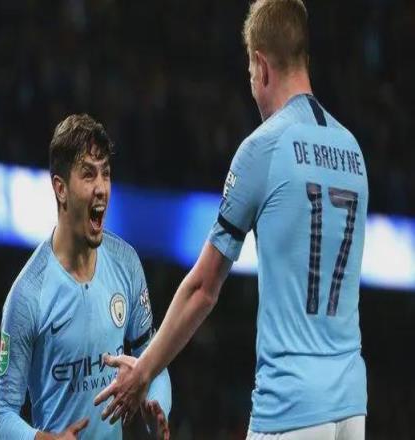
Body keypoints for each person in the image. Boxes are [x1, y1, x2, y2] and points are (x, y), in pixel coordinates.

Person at [94, 1, 368, 439]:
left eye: (250, 74)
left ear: (261, 66)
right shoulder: (353, 151)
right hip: (352, 407)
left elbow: (204, 288)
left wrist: (144, 370)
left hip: (291, 405)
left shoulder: (264, 147)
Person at [0, 114, 172, 439]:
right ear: (60, 189)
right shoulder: (27, 294)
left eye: (106, 173)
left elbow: (153, 361)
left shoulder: (126, 263)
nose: (101, 188)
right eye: (88, 174)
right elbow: (1, 416)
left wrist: (156, 407)